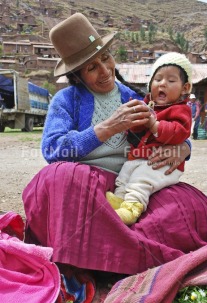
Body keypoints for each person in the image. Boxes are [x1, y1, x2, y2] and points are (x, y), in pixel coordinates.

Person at [23, 13, 207, 288]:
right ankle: (120, 256)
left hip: (127, 183)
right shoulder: (66, 101)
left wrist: (184, 148)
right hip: (85, 187)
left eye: (106, 57)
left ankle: (103, 256)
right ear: (77, 75)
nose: (105, 70)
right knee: (58, 177)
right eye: (91, 67)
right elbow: (52, 148)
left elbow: (169, 126)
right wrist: (106, 128)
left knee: (188, 203)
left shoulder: (135, 97)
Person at [106, 52, 192, 225]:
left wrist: (155, 125)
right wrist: (136, 121)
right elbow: (135, 134)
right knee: (124, 176)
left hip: (162, 164)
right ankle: (120, 199)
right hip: (139, 157)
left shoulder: (180, 110)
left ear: (185, 88)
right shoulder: (148, 105)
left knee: (141, 180)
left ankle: (132, 208)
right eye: (157, 79)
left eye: (171, 80)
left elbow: (179, 132)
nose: (162, 84)